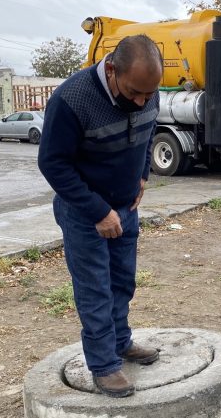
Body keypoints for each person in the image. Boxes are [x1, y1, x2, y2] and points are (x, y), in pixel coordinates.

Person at [38, 35, 163, 398]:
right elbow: (53, 164)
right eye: (134, 92)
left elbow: (149, 128)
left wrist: (142, 175)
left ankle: (120, 342)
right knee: (95, 289)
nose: (142, 100)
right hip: (84, 213)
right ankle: (104, 365)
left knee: (122, 282)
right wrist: (98, 210)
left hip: (126, 207)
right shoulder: (71, 99)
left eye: (148, 94)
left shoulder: (148, 91)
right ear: (112, 69)